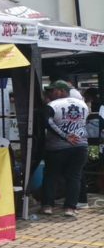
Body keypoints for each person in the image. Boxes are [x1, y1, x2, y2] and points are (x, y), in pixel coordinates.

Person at [41, 80, 89, 217]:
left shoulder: (53, 105)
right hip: (80, 146)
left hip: (57, 147)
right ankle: (70, 208)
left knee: (51, 176)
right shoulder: (83, 105)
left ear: (61, 91)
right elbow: (83, 122)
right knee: (74, 177)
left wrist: (65, 136)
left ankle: (47, 206)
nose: (50, 93)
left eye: (52, 90)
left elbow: (47, 122)